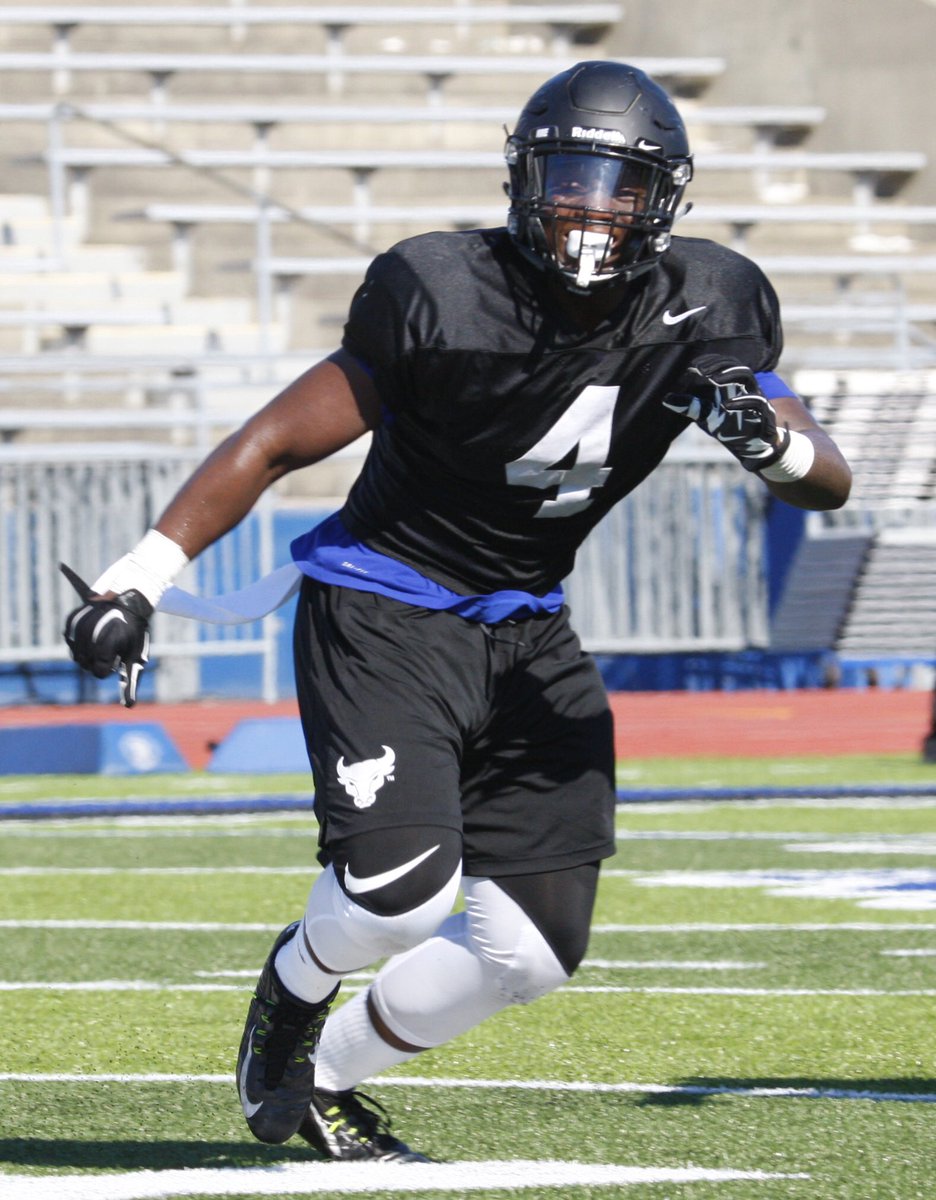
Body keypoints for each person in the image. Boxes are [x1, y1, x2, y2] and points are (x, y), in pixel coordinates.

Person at [62, 60, 852, 1162]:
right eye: (567, 176)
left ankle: (330, 1077)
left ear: (660, 201)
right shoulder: (441, 290)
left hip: (527, 626)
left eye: (615, 183)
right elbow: (277, 439)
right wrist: (136, 575)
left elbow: (826, 474)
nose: (588, 205)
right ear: (524, 182)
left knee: (528, 952)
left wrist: (778, 443)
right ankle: (292, 994)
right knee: (396, 902)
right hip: (385, 607)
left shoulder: (709, 303)